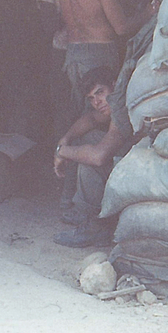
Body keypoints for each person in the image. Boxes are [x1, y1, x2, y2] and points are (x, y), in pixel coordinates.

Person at [57, 0, 160, 117]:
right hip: (98, 54)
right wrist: (149, 12)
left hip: (73, 53)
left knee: (83, 114)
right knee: (104, 117)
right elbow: (121, 28)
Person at [52, 66, 135, 247]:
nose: (97, 102)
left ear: (114, 86)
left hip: (137, 173)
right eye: (91, 98)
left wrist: (61, 151)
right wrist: (64, 140)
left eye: (100, 93)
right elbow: (91, 119)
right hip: (130, 162)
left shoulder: (122, 108)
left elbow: (98, 156)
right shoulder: (115, 102)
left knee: (88, 161)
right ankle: (88, 214)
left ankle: (94, 227)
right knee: (83, 140)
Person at [36, 0, 79, 209]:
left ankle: (71, 182)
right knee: (65, 115)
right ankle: (64, 177)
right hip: (62, 53)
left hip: (73, 52)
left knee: (74, 115)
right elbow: (49, 27)